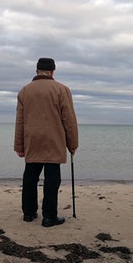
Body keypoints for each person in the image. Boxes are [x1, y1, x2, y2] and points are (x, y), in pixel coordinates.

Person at [14, 57, 79, 227]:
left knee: (30, 177)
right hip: (54, 140)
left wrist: (19, 146)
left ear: (37, 71)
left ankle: (28, 213)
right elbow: (69, 120)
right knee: (52, 179)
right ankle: (49, 216)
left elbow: (19, 121)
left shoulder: (24, 91)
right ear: (52, 72)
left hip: (32, 140)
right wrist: (73, 144)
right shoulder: (61, 89)